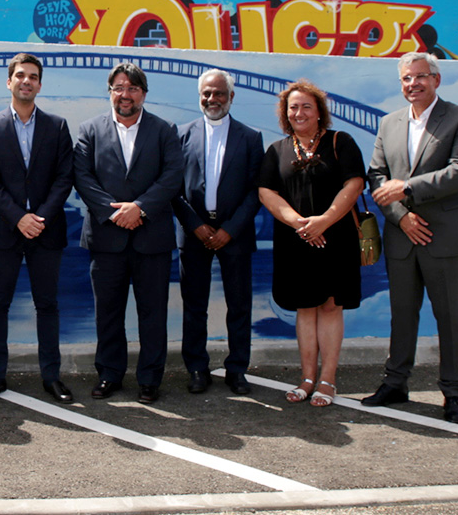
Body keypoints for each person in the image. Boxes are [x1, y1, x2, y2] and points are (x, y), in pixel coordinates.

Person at [362, 52, 458, 424]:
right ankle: (396, 383)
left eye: (419, 77)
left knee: (449, 317)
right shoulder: (389, 123)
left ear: (436, 79)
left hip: (444, 237)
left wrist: (408, 189)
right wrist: (402, 217)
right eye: (405, 79)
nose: (411, 84)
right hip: (403, 235)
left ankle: (452, 393)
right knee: (401, 316)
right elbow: (377, 178)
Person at [74, 62, 183, 404]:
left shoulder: (165, 131)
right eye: (119, 87)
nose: (125, 94)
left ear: (144, 94)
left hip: (152, 240)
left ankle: (150, 379)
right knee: (108, 313)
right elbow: (83, 179)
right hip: (107, 240)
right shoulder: (90, 130)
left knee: (153, 314)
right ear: (110, 92)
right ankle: (109, 374)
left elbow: (172, 177)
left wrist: (140, 207)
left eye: (133, 88)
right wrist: (116, 213)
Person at [257, 80, 366, 408]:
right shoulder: (276, 150)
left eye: (306, 106)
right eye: (293, 107)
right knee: (304, 307)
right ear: (285, 114)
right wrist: (300, 223)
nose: (299, 112)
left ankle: (327, 379)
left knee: (331, 306)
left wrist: (324, 221)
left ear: (319, 112)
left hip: (336, 238)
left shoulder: (340, 142)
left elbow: (355, 183)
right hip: (296, 241)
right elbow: (266, 192)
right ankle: (306, 378)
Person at [0, 54, 75, 404]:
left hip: (46, 230)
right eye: (20, 76)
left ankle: (51, 376)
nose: (26, 81)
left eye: (33, 77)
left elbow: (65, 179)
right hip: (4, 229)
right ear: (9, 82)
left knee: (47, 304)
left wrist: (39, 218)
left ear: (40, 85)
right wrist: (19, 217)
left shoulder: (58, 126)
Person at [171, 69, 265, 396]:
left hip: (234, 235)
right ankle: (197, 368)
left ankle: (237, 369)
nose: (212, 99)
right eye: (207, 94)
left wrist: (230, 229)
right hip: (193, 233)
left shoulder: (251, 138)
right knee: (194, 305)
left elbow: (256, 191)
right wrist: (195, 225)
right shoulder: (180, 134)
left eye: (219, 93)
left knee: (239, 305)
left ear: (231, 97)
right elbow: (173, 188)